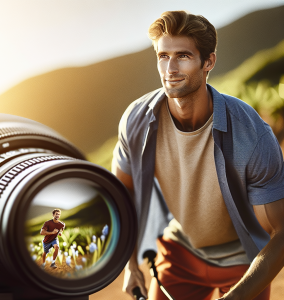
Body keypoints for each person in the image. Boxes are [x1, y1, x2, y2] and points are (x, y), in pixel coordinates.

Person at [112, 10, 284, 300]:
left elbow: (281, 233)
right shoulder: (136, 122)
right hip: (181, 251)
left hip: (245, 259)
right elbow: (121, 194)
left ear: (209, 61)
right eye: (163, 56)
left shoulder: (252, 135)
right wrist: (130, 265)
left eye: (183, 56)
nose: (170, 68)